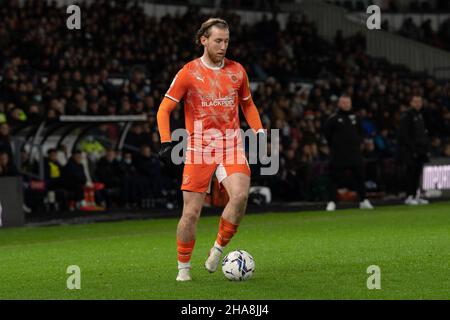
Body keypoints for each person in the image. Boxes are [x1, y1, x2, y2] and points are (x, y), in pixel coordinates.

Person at [156, 18, 264, 281]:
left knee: (239, 196)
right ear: (203, 40)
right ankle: (184, 268)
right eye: (218, 40)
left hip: (230, 145)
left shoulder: (237, 71)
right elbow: (164, 108)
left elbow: (247, 105)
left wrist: (259, 131)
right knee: (191, 213)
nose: (223, 46)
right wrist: (166, 142)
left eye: (226, 41)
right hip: (199, 148)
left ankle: (218, 249)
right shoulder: (188, 72)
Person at [323, 95, 374, 211]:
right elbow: (327, 134)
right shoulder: (333, 119)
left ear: (351, 104)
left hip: (355, 153)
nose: (346, 105)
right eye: (343, 103)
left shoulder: (356, 117)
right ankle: (332, 202)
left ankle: (363, 200)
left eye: (348, 103)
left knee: (360, 177)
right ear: (339, 104)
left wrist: (359, 143)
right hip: (338, 154)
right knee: (334, 179)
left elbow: (361, 133)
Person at [397, 95, 430, 205]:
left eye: (419, 101)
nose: (418, 103)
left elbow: (423, 134)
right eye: (415, 101)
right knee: (410, 173)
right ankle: (409, 196)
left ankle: (416, 195)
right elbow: (404, 135)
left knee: (417, 173)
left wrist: (424, 147)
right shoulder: (407, 116)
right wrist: (413, 149)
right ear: (411, 103)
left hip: (420, 150)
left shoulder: (420, 115)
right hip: (410, 151)